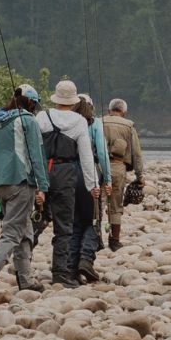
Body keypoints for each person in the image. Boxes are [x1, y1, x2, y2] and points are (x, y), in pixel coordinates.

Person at [0, 84, 47, 293]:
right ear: (31, 102)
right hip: (20, 182)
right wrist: (43, 186)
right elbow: (36, 155)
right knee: (12, 233)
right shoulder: (28, 120)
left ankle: (26, 280)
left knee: (24, 230)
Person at [37, 82, 104, 284]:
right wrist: (93, 185)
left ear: (56, 98)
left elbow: (34, 148)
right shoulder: (79, 121)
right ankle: (61, 274)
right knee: (64, 226)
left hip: (44, 170)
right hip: (66, 172)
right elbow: (85, 156)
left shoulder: (42, 117)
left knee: (37, 220)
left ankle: (22, 269)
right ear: (73, 100)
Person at [99, 98, 143, 250]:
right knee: (116, 205)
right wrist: (140, 177)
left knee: (97, 204)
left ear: (109, 110)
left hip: (97, 166)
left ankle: (94, 239)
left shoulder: (99, 122)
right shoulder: (129, 126)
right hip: (118, 167)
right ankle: (114, 241)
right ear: (124, 112)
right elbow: (136, 154)